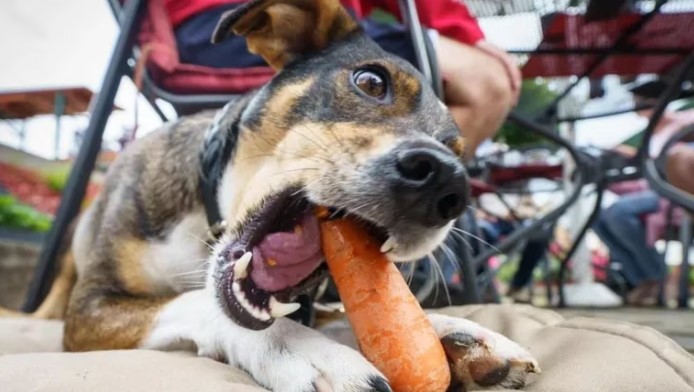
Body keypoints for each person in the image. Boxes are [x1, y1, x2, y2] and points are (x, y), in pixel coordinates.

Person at [164, 0, 521, 156]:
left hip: (185, 34)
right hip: (241, 24)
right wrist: (469, 36)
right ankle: (371, 248)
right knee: (485, 85)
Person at [593, 104, 694, 305]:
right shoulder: (649, 135)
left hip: (670, 192)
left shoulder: (683, 121)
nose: (643, 112)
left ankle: (657, 277)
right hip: (647, 189)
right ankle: (644, 279)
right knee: (599, 218)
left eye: (646, 104)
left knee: (618, 212)